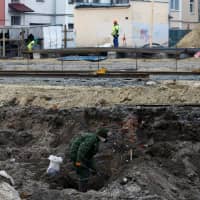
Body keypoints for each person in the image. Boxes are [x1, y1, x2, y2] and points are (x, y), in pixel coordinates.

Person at [69, 128, 109, 192]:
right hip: (76, 156)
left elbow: (90, 156)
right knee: (84, 173)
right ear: (101, 136)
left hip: (85, 157)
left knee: (91, 169)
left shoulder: (96, 140)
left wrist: (94, 169)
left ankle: (83, 189)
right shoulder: (91, 139)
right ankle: (82, 192)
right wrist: (78, 162)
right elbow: (81, 150)